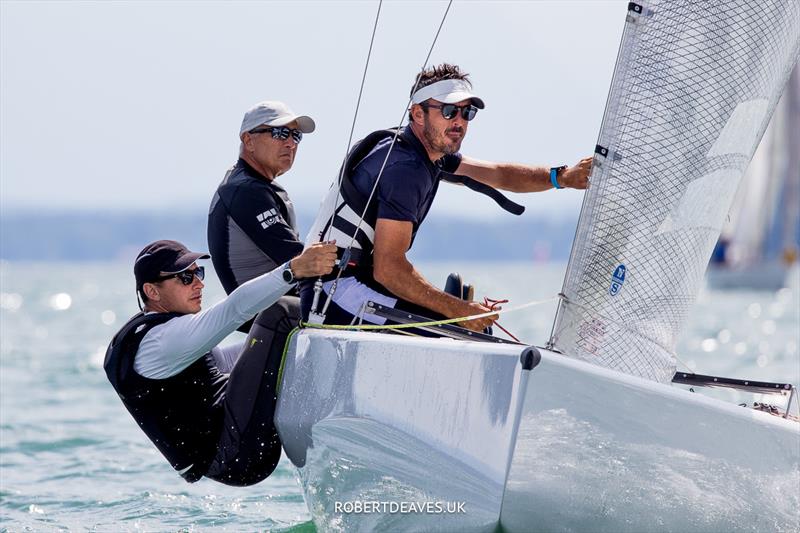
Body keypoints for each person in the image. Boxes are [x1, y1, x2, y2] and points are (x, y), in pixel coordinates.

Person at [301, 63, 591, 332]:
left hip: (354, 283)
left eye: (467, 113)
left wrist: (561, 177)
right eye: (449, 111)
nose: (459, 122)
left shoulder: (426, 154)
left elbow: (499, 174)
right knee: (457, 332)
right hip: (332, 292)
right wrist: (462, 310)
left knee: (464, 329)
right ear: (417, 114)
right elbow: (389, 269)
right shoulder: (404, 168)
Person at [104, 239, 336, 486]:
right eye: (185, 277)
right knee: (279, 314)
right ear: (152, 291)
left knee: (282, 335)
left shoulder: (159, 330)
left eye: (198, 273)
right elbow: (234, 309)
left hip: (231, 445)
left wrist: (279, 345)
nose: (199, 283)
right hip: (235, 454)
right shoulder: (161, 341)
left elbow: (220, 363)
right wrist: (293, 270)